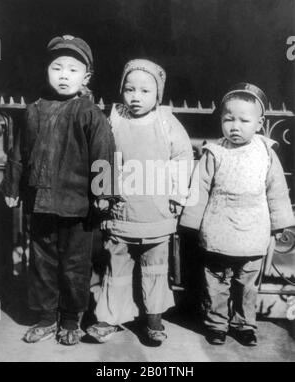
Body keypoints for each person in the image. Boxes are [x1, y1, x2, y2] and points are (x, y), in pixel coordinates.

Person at [2, 35, 116, 345]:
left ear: (86, 77)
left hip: (77, 207)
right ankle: (45, 318)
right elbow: (19, 153)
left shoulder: (91, 114)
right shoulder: (34, 110)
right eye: (57, 67)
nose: (64, 75)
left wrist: (102, 195)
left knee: (74, 266)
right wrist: (12, 184)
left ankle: (70, 320)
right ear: (46, 71)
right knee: (42, 263)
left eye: (72, 69)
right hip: (40, 203)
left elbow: (103, 156)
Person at [87, 58, 193, 346]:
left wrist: (177, 194)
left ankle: (154, 319)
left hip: (156, 210)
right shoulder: (114, 118)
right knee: (116, 266)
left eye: (145, 91)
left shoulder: (167, 122)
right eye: (129, 89)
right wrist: (102, 193)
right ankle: (108, 319)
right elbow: (102, 156)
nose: (135, 97)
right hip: (122, 210)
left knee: (156, 267)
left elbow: (182, 158)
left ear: (157, 94)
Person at [180, 83, 295, 346]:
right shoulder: (214, 152)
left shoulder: (266, 152)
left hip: (253, 230)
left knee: (246, 284)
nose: (235, 126)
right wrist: (192, 223)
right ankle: (216, 324)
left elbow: (276, 191)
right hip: (218, 227)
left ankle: (244, 324)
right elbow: (200, 187)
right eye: (228, 118)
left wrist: (278, 227)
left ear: (259, 123)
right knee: (216, 282)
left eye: (244, 120)